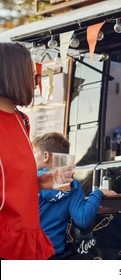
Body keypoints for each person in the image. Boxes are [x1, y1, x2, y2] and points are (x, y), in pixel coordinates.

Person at [0, 42, 73, 260]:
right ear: (11, 75)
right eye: (32, 74)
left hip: (26, 236)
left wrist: (39, 182)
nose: (36, 82)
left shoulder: (22, 120)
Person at [32, 132, 117, 259]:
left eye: (34, 154)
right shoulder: (73, 185)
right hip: (54, 254)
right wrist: (98, 193)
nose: (31, 158)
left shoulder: (31, 181)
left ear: (45, 156)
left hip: (28, 253)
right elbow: (83, 219)